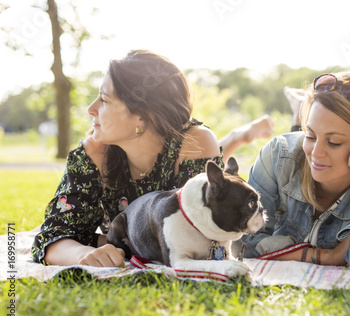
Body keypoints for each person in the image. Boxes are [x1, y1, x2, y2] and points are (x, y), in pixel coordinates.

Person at [31, 50, 273, 267]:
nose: (91, 109)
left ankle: (236, 137)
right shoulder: (93, 154)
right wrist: (81, 254)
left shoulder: (194, 144)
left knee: (218, 164)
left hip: (200, 150)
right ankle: (236, 136)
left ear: (142, 116)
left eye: (104, 99)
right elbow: (52, 236)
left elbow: (211, 230)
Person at [241, 72, 350, 271]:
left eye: (334, 142)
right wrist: (328, 256)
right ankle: (300, 115)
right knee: (299, 149)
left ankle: (301, 115)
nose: (317, 153)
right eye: (311, 135)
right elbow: (243, 241)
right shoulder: (278, 154)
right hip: (293, 154)